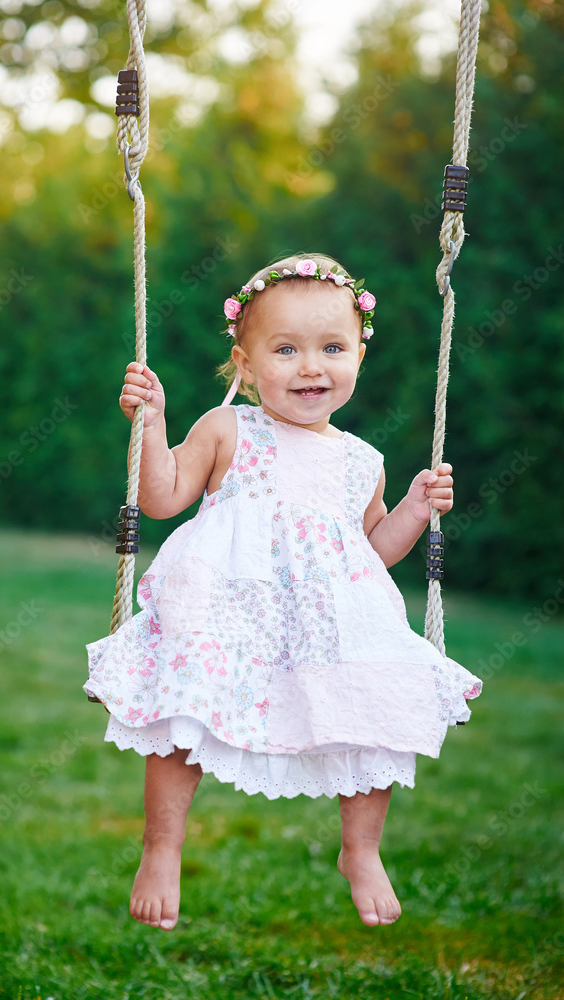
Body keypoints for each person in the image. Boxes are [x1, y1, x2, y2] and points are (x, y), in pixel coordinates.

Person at [84, 252, 483, 932]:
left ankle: (359, 850)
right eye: (285, 349)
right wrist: (149, 425)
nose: (310, 367)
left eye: (331, 347)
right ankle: (161, 848)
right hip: (228, 610)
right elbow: (160, 498)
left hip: (328, 622)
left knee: (376, 716)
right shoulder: (227, 429)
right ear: (244, 362)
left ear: (359, 352)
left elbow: (370, 552)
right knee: (185, 713)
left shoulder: (362, 460)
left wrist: (413, 511)